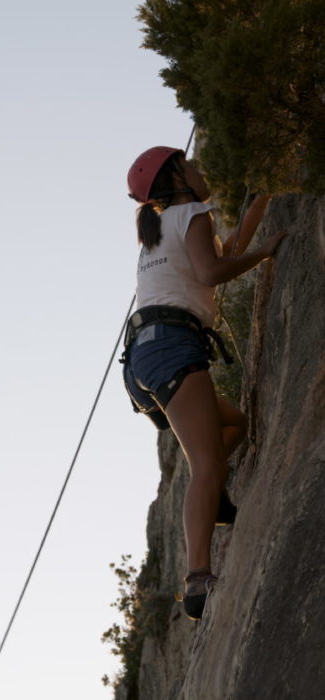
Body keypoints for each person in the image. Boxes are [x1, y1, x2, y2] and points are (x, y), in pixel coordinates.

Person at [122, 146, 286, 620]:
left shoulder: (159, 233)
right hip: (173, 345)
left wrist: (259, 204)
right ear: (177, 178)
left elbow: (217, 256)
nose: (199, 169)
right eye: (190, 165)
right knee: (207, 462)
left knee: (235, 425)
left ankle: (213, 499)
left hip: (147, 353)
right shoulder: (192, 213)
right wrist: (264, 254)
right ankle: (198, 578)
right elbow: (214, 272)